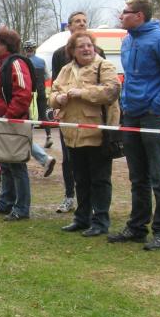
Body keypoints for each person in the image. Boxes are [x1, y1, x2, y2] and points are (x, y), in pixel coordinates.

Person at [108, 0, 160, 251]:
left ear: (139, 15)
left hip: (156, 116)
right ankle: (137, 227)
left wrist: (158, 103)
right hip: (132, 114)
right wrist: (125, 103)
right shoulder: (127, 41)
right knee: (138, 175)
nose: (121, 16)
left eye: (125, 12)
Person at [50, 32, 120, 236]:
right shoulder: (65, 70)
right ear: (72, 50)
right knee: (80, 179)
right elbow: (52, 93)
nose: (86, 49)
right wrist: (58, 99)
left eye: (89, 45)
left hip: (98, 134)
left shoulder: (104, 66)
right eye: (81, 46)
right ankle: (82, 218)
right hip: (72, 134)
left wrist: (83, 93)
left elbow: (111, 91)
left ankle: (100, 221)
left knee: (100, 180)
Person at [50, 11, 105, 213]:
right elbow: (55, 86)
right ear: (69, 26)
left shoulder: (98, 52)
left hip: (92, 117)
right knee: (69, 159)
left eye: (84, 21)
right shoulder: (59, 55)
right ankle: (69, 196)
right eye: (77, 21)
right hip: (68, 116)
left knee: (94, 162)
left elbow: (106, 87)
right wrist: (57, 104)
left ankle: (95, 204)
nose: (81, 24)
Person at [0, 26, 33, 221]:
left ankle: (22, 208)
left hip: (13, 122)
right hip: (1, 122)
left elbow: (23, 94)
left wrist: (9, 116)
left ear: (7, 45)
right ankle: (6, 203)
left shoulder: (17, 63)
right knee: (5, 164)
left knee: (17, 166)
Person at [24, 40, 53, 148]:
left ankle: (28, 138)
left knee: (28, 114)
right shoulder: (42, 61)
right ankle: (49, 136)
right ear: (34, 49)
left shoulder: (24, 61)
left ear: (25, 50)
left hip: (29, 91)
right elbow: (48, 77)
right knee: (42, 114)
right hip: (41, 90)